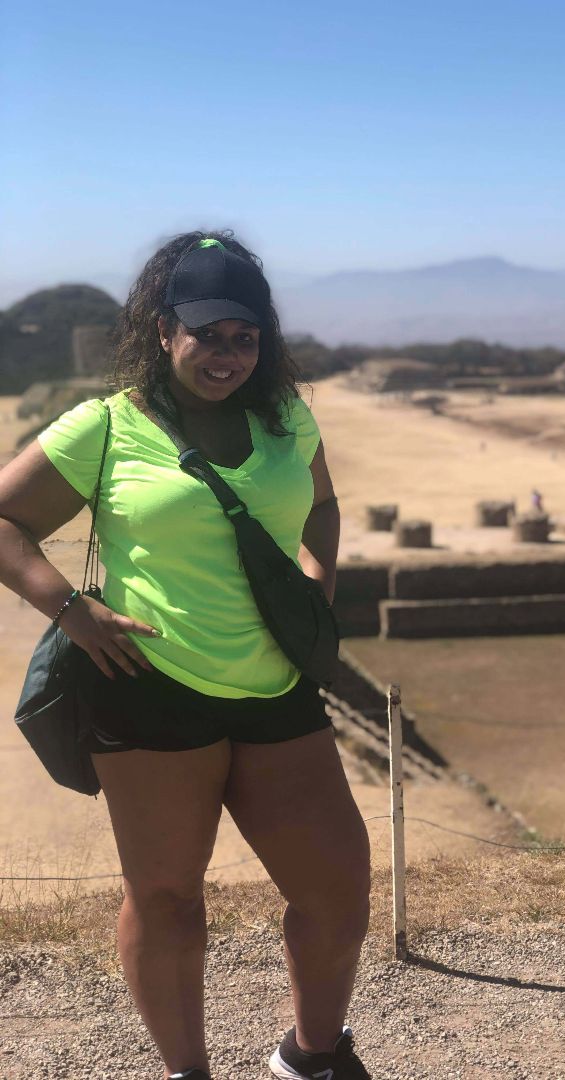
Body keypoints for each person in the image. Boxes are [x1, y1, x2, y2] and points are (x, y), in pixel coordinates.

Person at [0, 232, 372, 1080]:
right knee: (167, 899)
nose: (228, 355)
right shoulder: (104, 427)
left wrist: (319, 578)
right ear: (165, 329)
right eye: (208, 334)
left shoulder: (288, 417)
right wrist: (68, 608)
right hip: (148, 689)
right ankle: (187, 1073)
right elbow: (5, 520)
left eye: (247, 337)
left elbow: (321, 504)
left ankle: (310, 1057)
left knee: (337, 889)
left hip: (277, 684)